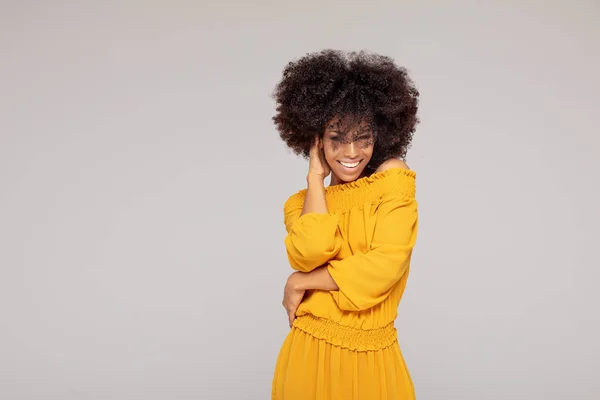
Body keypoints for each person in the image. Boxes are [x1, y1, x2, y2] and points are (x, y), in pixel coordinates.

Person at [271, 49, 420, 400]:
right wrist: (314, 177)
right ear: (315, 138)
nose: (351, 151)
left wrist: (301, 282)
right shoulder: (301, 203)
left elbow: (384, 267)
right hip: (309, 353)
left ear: (380, 135)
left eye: (363, 137)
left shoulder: (391, 180)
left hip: (373, 356)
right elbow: (309, 252)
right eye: (337, 138)